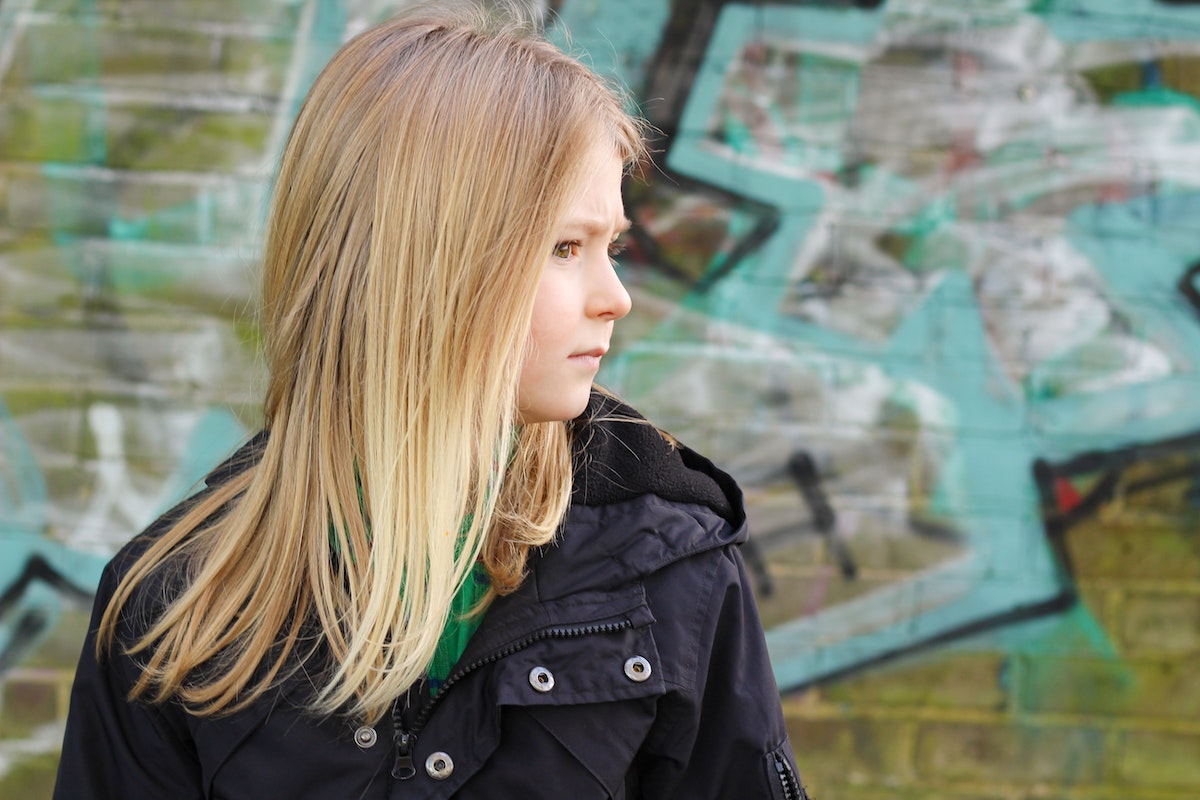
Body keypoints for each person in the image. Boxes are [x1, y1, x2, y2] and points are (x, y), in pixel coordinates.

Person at [53, 3, 805, 798]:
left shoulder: (669, 568)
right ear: (427, 267)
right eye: (563, 248)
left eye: (608, 247)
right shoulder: (177, 611)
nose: (614, 296)